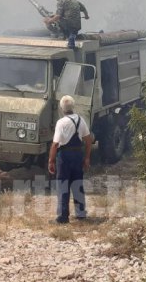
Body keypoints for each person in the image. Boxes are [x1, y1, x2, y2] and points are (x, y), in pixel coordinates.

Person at [48, 95, 92, 224]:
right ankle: (81, 213)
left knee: (63, 185)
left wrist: (51, 160)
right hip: (77, 154)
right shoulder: (81, 120)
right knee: (77, 183)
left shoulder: (61, 122)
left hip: (64, 156)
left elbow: (55, 144)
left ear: (62, 108)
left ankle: (62, 217)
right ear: (73, 107)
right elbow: (88, 140)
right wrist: (87, 157)